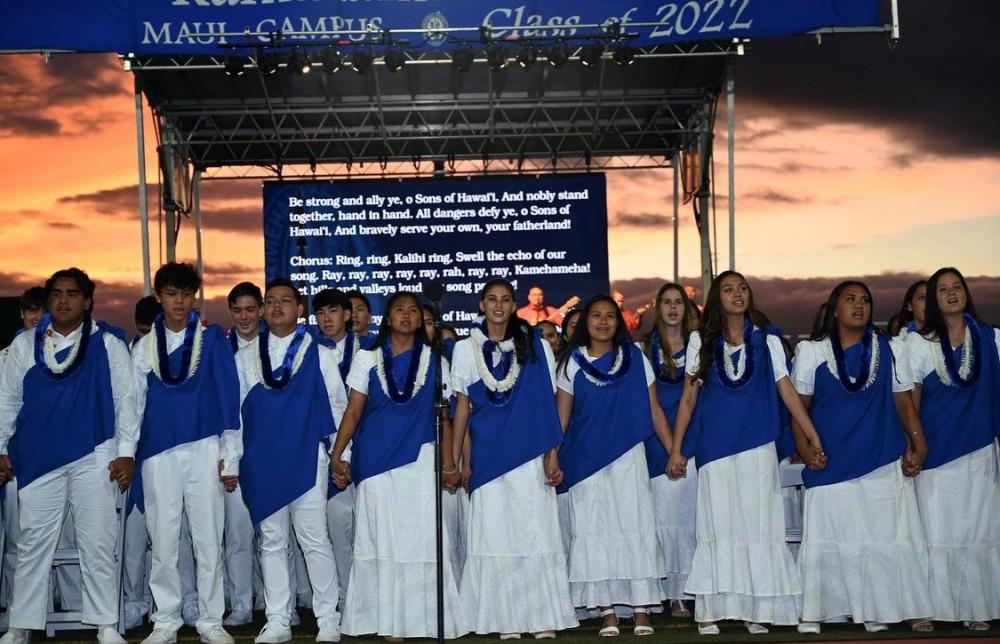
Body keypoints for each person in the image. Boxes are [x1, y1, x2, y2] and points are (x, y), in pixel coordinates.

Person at [667, 271, 812, 635]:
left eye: (743, 288)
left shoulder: (768, 341)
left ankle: (755, 608)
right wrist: (676, 449)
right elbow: (688, 398)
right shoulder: (701, 341)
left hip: (757, 445)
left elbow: (786, 389)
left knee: (758, 523)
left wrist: (811, 434)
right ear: (717, 298)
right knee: (717, 523)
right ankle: (710, 610)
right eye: (729, 289)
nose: (737, 294)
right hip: (715, 447)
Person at [0, 268, 136, 644]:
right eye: (57, 293)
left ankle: (105, 625)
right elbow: (7, 400)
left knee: (98, 541)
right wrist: (0, 447)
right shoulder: (26, 344)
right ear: (48, 301)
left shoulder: (108, 344)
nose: (63, 300)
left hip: (94, 454)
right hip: (38, 457)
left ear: (87, 301)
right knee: (32, 544)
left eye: (72, 293)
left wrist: (126, 452)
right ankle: (20, 626)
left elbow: (127, 401)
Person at [791, 281, 931, 635]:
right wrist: (806, 450)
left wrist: (918, 443)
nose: (859, 305)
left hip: (880, 458)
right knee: (829, 536)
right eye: (850, 299)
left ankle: (877, 609)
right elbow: (798, 409)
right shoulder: (812, 351)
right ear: (835, 309)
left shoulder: (891, 349)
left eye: (865, 300)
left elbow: (904, 402)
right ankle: (816, 612)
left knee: (880, 538)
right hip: (831, 460)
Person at [330, 291, 466, 639]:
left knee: (419, 539)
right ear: (387, 318)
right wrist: (337, 453)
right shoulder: (367, 357)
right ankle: (387, 621)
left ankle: (422, 620)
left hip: (420, 459)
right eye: (399, 309)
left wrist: (449, 465)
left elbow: (445, 417)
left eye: (412, 311)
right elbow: (354, 411)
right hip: (375, 460)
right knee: (382, 540)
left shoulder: (436, 361)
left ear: (421, 320)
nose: (406, 315)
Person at [451, 280, 577, 638]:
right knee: (495, 536)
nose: (498, 305)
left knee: (534, 533)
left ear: (513, 305)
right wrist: (456, 462)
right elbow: (462, 409)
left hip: (530, 453)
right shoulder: (464, 348)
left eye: (505, 299)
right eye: (492, 299)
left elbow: (548, 405)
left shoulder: (536, 345)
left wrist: (552, 455)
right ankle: (502, 618)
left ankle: (540, 617)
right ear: (481, 304)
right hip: (488, 455)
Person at [131, 262, 239, 644]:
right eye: (171, 293)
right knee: (162, 541)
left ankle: (211, 620)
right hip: (158, 451)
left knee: (208, 539)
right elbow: (132, 405)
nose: (179, 301)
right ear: (159, 297)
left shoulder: (212, 340)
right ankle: (165, 621)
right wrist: (128, 452)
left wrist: (231, 454)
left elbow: (229, 397)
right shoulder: (144, 346)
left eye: (186, 293)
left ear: (195, 297)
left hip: (204, 446)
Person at [555, 295, 671, 637]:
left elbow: (654, 409)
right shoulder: (570, 362)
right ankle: (607, 612)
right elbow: (561, 417)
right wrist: (552, 456)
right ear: (585, 322)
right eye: (596, 315)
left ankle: (640, 610)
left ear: (618, 322)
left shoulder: (635, 357)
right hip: (585, 460)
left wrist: (673, 450)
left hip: (628, 456)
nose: (603, 321)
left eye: (610, 316)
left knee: (634, 524)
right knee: (595, 529)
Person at [235, 279, 341, 644]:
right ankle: (278, 619)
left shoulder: (320, 353)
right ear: (264, 310)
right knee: (272, 541)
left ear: (299, 309)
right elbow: (235, 416)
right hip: (262, 460)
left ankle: (328, 619)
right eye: (270, 301)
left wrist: (341, 455)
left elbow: (338, 406)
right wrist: (232, 460)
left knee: (314, 539)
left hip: (308, 457)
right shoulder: (245, 356)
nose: (277, 306)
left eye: (285, 300)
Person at [905, 267, 1000, 632]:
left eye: (956, 286)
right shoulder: (919, 343)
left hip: (979, 446)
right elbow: (911, 400)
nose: (950, 293)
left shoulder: (990, 338)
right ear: (933, 299)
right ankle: (927, 608)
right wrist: (913, 444)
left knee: (978, 527)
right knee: (934, 528)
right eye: (942, 288)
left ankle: (978, 606)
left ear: (966, 293)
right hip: (935, 449)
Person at [640, 283, 699, 618]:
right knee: (664, 517)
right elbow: (649, 405)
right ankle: (667, 593)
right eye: (667, 302)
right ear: (657, 307)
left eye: (679, 302)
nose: (673, 308)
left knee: (689, 518)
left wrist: (681, 448)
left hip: (692, 438)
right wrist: (670, 449)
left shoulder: (700, 346)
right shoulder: (643, 348)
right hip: (657, 441)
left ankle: (687, 591)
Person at [216, 282, 265, 628]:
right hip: (232, 449)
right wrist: (224, 454)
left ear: (260, 309)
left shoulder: (278, 346)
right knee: (237, 534)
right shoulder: (218, 348)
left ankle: (280, 604)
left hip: (270, 450)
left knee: (275, 534)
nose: (244, 316)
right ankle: (242, 605)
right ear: (230, 312)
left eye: (250, 309)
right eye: (238, 310)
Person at [311, 288, 358, 609]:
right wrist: (337, 455)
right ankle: (344, 597)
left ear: (347, 314)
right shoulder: (309, 353)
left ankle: (370, 596)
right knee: (336, 527)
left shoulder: (368, 351)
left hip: (369, 452)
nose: (326, 319)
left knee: (366, 530)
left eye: (333, 311)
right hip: (330, 452)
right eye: (320, 313)